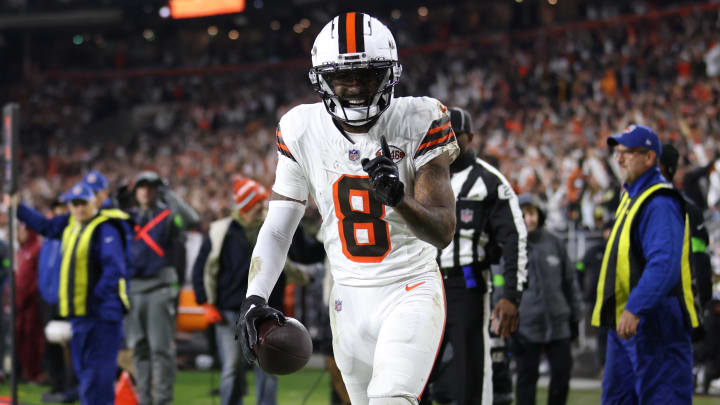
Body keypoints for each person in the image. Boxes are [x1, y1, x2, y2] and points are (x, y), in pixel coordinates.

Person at [237, 12, 459, 405]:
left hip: (409, 287)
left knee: (390, 400)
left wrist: (398, 198)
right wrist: (256, 296)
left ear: (389, 74)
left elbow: (442, 230)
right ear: (322, 79)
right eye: (343, 77)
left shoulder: (421, 117)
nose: (355, 88)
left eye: (367, 75)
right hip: (347, 298)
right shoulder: (300, 127)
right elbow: (277, 228)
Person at [421, 107, 527, 405]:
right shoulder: (421, 174)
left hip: (464, 285)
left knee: (470, 376)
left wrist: (511, 294)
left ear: (469, 137)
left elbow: (514, 238)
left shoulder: (490, 182)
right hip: (421, 283)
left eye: (453, 135)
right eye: (442, 135)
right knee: (411, 370)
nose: (448, 142)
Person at [591, 125, 701, 404]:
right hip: (627, 323)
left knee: (662, 397)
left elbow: (664, 264)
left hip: (653, 322)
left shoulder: (660, 200)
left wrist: (635, 306)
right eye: (617, 152)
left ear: (650, 157)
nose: (619, 159)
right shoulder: (632, 197)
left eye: (627, 153)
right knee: (617, 399)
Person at [15, 182, 131, 405]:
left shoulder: (105, 228)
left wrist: (97, 299)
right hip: (80, 315)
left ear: (93, 202)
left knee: (98, 376)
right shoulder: (71, 225)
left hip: (101, 316)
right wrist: (19, 207)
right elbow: (45, 226)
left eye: (82, 203)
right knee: (85, 374)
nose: (78, 209)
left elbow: (114, 268)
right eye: (74, 204)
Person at [192, 176, 283, 405]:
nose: (262, 207)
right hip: (229, 310)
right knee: (231, 368)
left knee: (268, 367)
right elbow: (200, 269)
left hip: (264, 310)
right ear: (246, 205)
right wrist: (205, 303)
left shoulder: (270, 228)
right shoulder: (222, 231)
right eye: (258, 203)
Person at [514, 194, 583, 405]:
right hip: (525, 326)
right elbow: (501, 287)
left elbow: (570, 282)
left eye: (532, 213)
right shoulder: (511, 245)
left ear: (540, 214)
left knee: (562, 376)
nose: (529, 219)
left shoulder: (555, 242)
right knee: (526, 380)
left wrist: (575, 316)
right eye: (524, 214)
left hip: (559, 323)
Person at [126, 170, 184, 405]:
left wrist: (169, 195)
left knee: (160, 350)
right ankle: (145, 401)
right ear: (135, 191)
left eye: (151, 187)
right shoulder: (127, 217)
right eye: (141, 186)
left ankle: (162, 401)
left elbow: (189, 218)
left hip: (159, 287)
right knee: (138, 350)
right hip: (133, 288)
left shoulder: (168, 216)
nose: (146, 191)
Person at [14, 222, 45, 383]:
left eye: (23, 230)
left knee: (32, 338)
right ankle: (23, 372)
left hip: (32, 302)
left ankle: (34, 373)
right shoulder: (20, 250)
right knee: (20, 337)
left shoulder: (37, 248)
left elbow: (36, 277)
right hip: (18, 303)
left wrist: (28, 295)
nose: (20, 234)